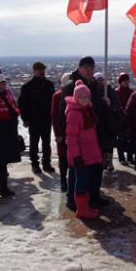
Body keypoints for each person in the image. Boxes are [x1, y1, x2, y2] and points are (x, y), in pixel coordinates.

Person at [59, 57, 107, 211]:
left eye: (92, 67)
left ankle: (94, 197)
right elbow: (63, 112)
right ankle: (73, 200)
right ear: (79, 68)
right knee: (76, 169)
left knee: (95, 168)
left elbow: (96, 106)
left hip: (93, 133)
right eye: (86, 67)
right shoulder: (70, 86)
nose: (89, 70)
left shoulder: (93, 84)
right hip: (77, 135)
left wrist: (104, 103)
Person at [65, 80, 103, 219]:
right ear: (76, 98)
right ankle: (82, 210)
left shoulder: (87, 111)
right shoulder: (75, 114)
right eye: (81, 97)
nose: (84, 100)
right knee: (81, 182)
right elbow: (71, 138)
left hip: (90, 152)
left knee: (87, 181)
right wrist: (76, 157)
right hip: (81, 155)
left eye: (86, 97)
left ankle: (86, 206)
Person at [18, 61, 56, 174]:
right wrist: (25, 119)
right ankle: (35, 164)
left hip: (46, 119)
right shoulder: (27, 87)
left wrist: (53, 116)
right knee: (34, 143)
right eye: (39, 70)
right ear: (34, 71)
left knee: (46, 143)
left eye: (43, 70)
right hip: (34, 120)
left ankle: (46, 164)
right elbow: (22, 104)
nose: (42, 72)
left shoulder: (49, 85)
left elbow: (53, 102)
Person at [94, 72, 121, 172]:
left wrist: (110, 104)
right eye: (98, 80)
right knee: (100, 143)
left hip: (109, 122)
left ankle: (109, 161)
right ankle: (102, 161)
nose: (100, 82)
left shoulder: (110, 90)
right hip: (98, 122)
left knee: (109, 144)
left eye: (102, 80)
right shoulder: (93, 91)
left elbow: (117, 104)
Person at [52, 73, 73, 191]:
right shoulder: (57, 96)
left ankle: (71, 180)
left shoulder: (75, 94)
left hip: (73, 130)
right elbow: (55, 116)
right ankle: (63, 181)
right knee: (63, 158)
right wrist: (58, 133)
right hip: (63, 130)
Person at [115, 73, 135, 166]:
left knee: (130, 138)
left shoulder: (132, 92)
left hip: (130, 118)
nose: (126, 83)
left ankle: (130, 157)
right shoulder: (116, 92)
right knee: (120, 139)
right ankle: (121, 158)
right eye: (124, 81)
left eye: (127, 81)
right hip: (119, 119)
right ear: (120, 82)